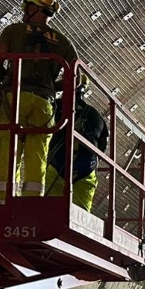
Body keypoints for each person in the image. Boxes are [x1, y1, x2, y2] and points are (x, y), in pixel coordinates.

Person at [0, 0, 78, 198]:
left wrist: (6, 80)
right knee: (37, 154)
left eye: (27, 7)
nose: (24, 11)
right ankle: (31, 203)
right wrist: (51, 87)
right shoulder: (63, 42)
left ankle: (6, 201)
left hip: (14, 99)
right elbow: (76, 79)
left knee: (8, 150)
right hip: (43, 102)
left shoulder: (13, 31)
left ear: (34, 9)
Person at [46, 76, 109, 212]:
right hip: (86, 168)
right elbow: (102, 148)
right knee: (81, 216)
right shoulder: (96, 115)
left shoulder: (53, 106)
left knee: (50, 210)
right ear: (84, 90)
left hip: (57, 163)